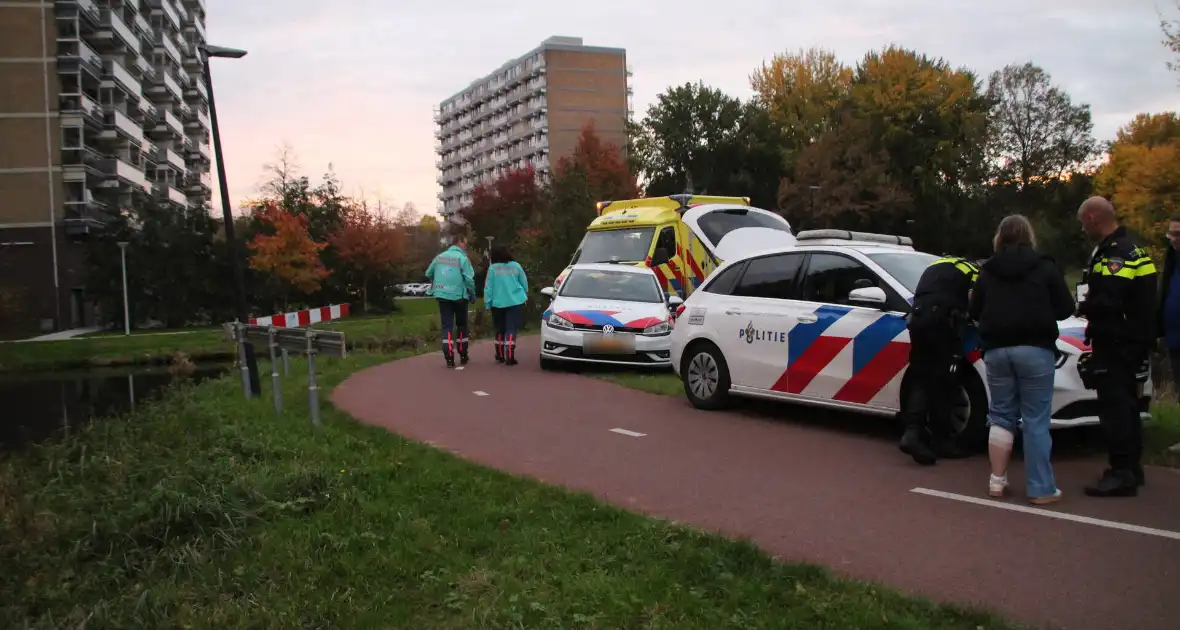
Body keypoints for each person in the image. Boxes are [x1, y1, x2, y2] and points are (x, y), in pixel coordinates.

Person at [969, 215, 1075, 504]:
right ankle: (1041, 488)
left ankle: (996, 481)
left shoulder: (988, 270)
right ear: (1029, 236)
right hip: (1036, 349)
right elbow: (1066, 308)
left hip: (997, 350)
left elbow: (975, 309)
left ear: (999, 237)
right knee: (1035, 420)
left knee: (1001, 414)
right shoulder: (1045, 267)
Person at [1076, 196, 1156, 497]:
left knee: (1115, 409)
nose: (1084, 229)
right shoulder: (1135, 248)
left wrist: (1085, 307)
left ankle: (1121, 472)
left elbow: (1109, 299)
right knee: (1129, 407)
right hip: (1134, 341)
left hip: (1115, 342)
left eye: (1084, 223)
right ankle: (1132, 468)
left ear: (1094, 218)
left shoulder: (1115, 255)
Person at [899, 253, 980, 465]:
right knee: (946, 379)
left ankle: (913, 432)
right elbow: (975, 300)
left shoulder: (936, 264)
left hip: (918, 321)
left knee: (922, 376)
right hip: (943, 323)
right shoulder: (973, 271)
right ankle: (941, 441)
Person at [425, 234, 476, 368]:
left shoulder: (439, 257)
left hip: (442, 295)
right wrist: (472, 294)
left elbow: (428, 273)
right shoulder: (462, 258)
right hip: (459, 296)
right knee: (461, 325)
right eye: (464, 243)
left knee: (446, 326)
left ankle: (448, 356)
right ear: (459, 243)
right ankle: (463, 353)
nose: (465, 246)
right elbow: (469, 279)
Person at [483, 245, 529, 366]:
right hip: (515, 302)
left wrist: (487, 303)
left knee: (499, 329)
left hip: (497, 303)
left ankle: (500, 354)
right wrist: (525, 296)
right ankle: (510, 354)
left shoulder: (493, 269)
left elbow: (488, 287)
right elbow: (524, 282)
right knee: (511, 328)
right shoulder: (516, 266)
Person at [1155, 215, 1180, 400]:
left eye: (1178, 234)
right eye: (1171, 234)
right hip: (1173, 337)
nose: (1174, 238)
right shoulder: (1171, 259)